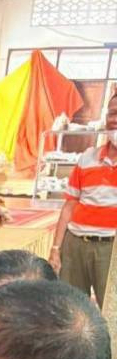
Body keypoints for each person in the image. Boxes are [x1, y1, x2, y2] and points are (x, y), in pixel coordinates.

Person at [49, 93, 117, 306]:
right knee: (70, 308)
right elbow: (69, 206)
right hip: (75, 244)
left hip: (110, 248)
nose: (115, 119)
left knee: (111, 310)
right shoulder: (87, 158)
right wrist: (56, 249)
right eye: (112, 113)